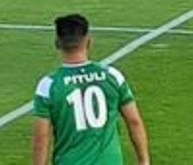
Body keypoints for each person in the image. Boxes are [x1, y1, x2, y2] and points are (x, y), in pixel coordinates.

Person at [31, 14, 150, 165]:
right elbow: (134, 121)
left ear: (57, 43)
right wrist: (144, 161)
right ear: (89, 41)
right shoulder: (112, 76)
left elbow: (41, 139)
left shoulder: (48, 85)